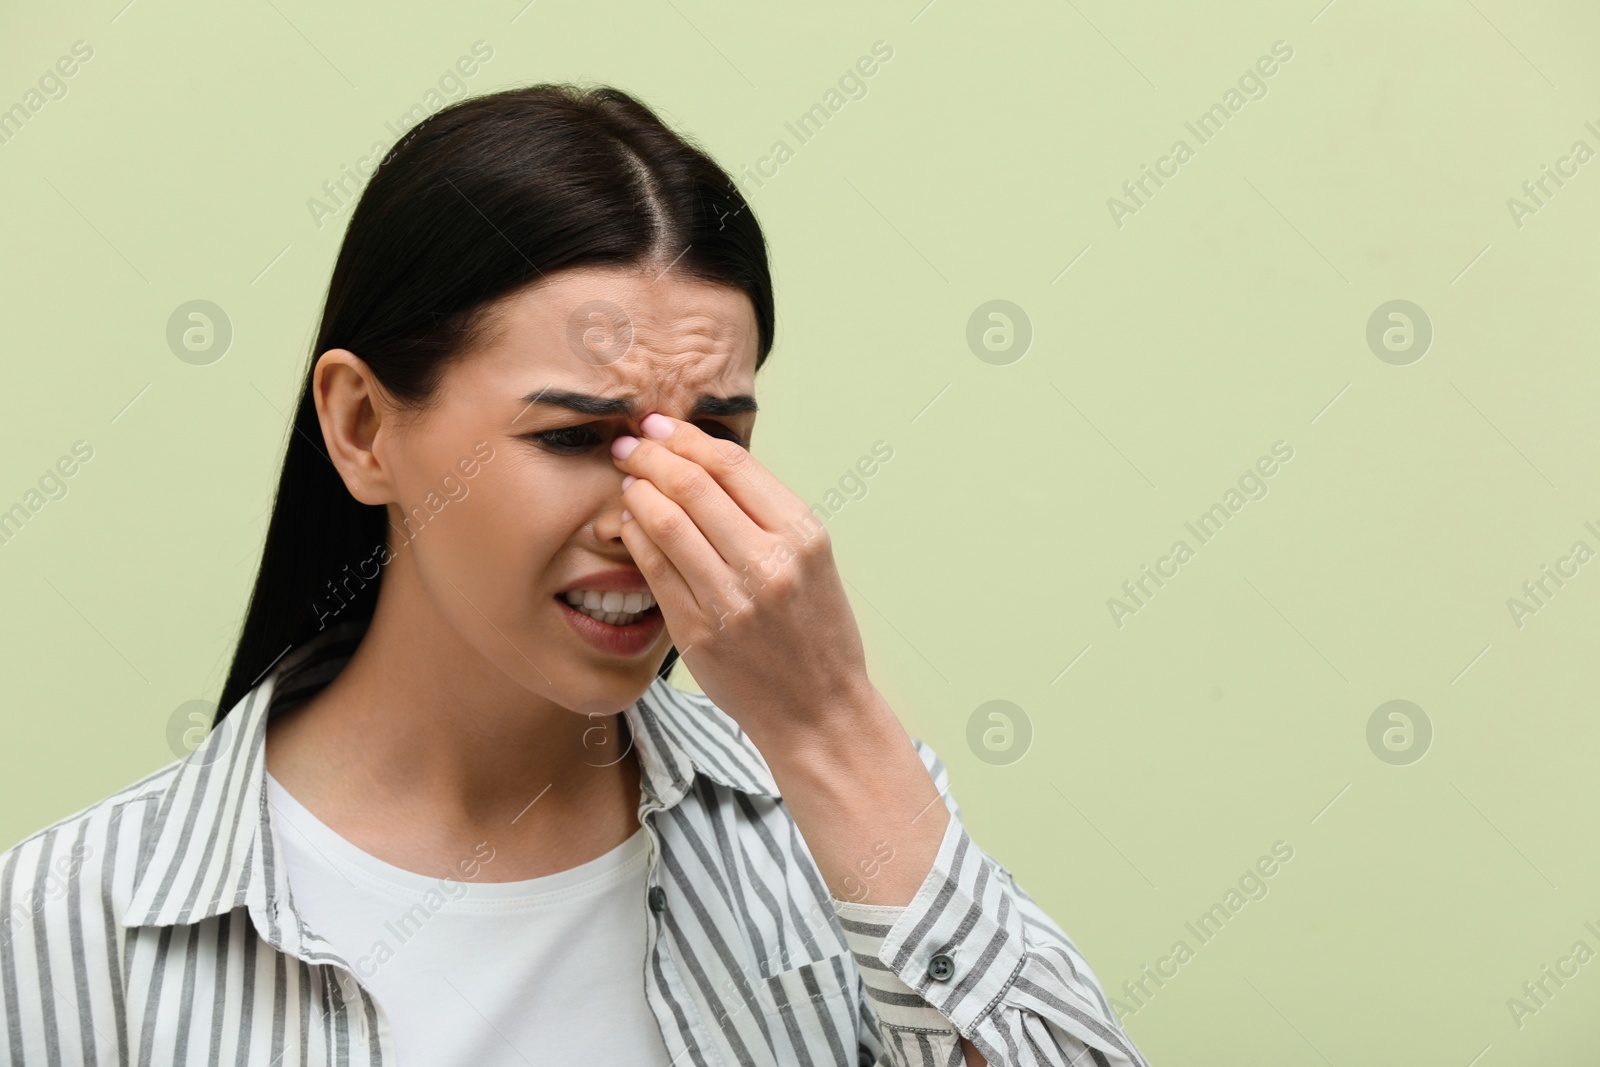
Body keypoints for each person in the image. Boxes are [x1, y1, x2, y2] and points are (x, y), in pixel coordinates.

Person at [0, 83, 1149, 1067]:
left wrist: (833, 723)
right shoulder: (73, 921)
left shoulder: (841, 819)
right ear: (362, 426)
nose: (651, 516)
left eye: (714, 441)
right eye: (572, 436)